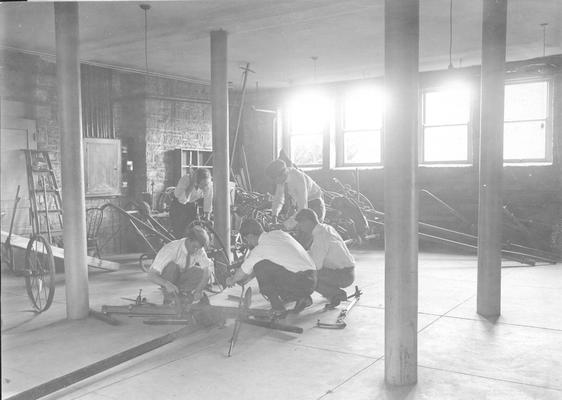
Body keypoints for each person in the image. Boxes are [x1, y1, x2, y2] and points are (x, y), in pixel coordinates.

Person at [225, 218, 317, 314]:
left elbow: (243, 272)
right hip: (312, 278)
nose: (248, 242)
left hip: (301, 282)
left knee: (260, 267)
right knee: (268, 265)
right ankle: (303, 298)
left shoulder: (260, 249)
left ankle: (278, 308)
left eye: (246, 239)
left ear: (250, 236)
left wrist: (231, 280)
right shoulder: (278, 233)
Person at [295, 208, 355, 308]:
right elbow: (315, 253)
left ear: (308, 222)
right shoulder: (326, 228)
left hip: (343, 275)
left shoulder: (320, 237)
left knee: (307, 275)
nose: (300, 227)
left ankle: (335, 294)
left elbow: (316, 266)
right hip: (348, 271)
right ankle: (332, 291)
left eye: (301, 224)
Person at [147, 224, 211, 304]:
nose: (196, 251)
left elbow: (207, 272)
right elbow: (151, 275)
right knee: (172, 267)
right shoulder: (171, 249)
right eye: (194, 247)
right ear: (189, 240)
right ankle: (169, 298)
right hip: (169, 278)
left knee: (201, 272)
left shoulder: (198, 249)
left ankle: (183, 294)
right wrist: (166, 284)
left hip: (182, 277)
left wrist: (199, 290)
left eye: (198, 248)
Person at [265, 159, 325, 229]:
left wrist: (284, 225)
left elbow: (302, 209)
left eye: (274, 179)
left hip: (315, 205)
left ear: (282, 175)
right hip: (302, 206)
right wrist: (274, 215)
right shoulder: (282, 178)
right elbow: (279, 198)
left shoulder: (298, 179)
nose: (274, 182)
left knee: (306, 235)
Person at [169, 168, 213, 239]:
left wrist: (207, 217)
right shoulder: (185, 180)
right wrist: (192, 184)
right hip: (178, 206)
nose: (205, 187)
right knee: (180, 234)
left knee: (192, 232)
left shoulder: (208, 184)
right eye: (203, 184)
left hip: (191, 205)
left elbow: (208, 199)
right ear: (196, 182)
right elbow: (182, 201)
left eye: (207, 184)